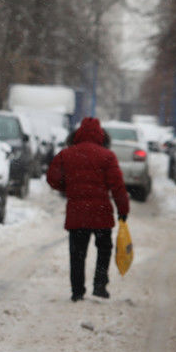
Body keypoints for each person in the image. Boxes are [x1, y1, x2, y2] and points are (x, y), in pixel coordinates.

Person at [46, 117, 130, 301]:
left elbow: (52, 178)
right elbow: (117, 186)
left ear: (77, 134)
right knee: (104, 248)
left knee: (77, 253)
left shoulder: (66, 154)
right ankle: (100, 285)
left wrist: (68, 188)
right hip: (101, 212)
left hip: (77, 213)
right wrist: (123, 209)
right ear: (102, 136)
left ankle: (77, 291)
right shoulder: (107, 156)